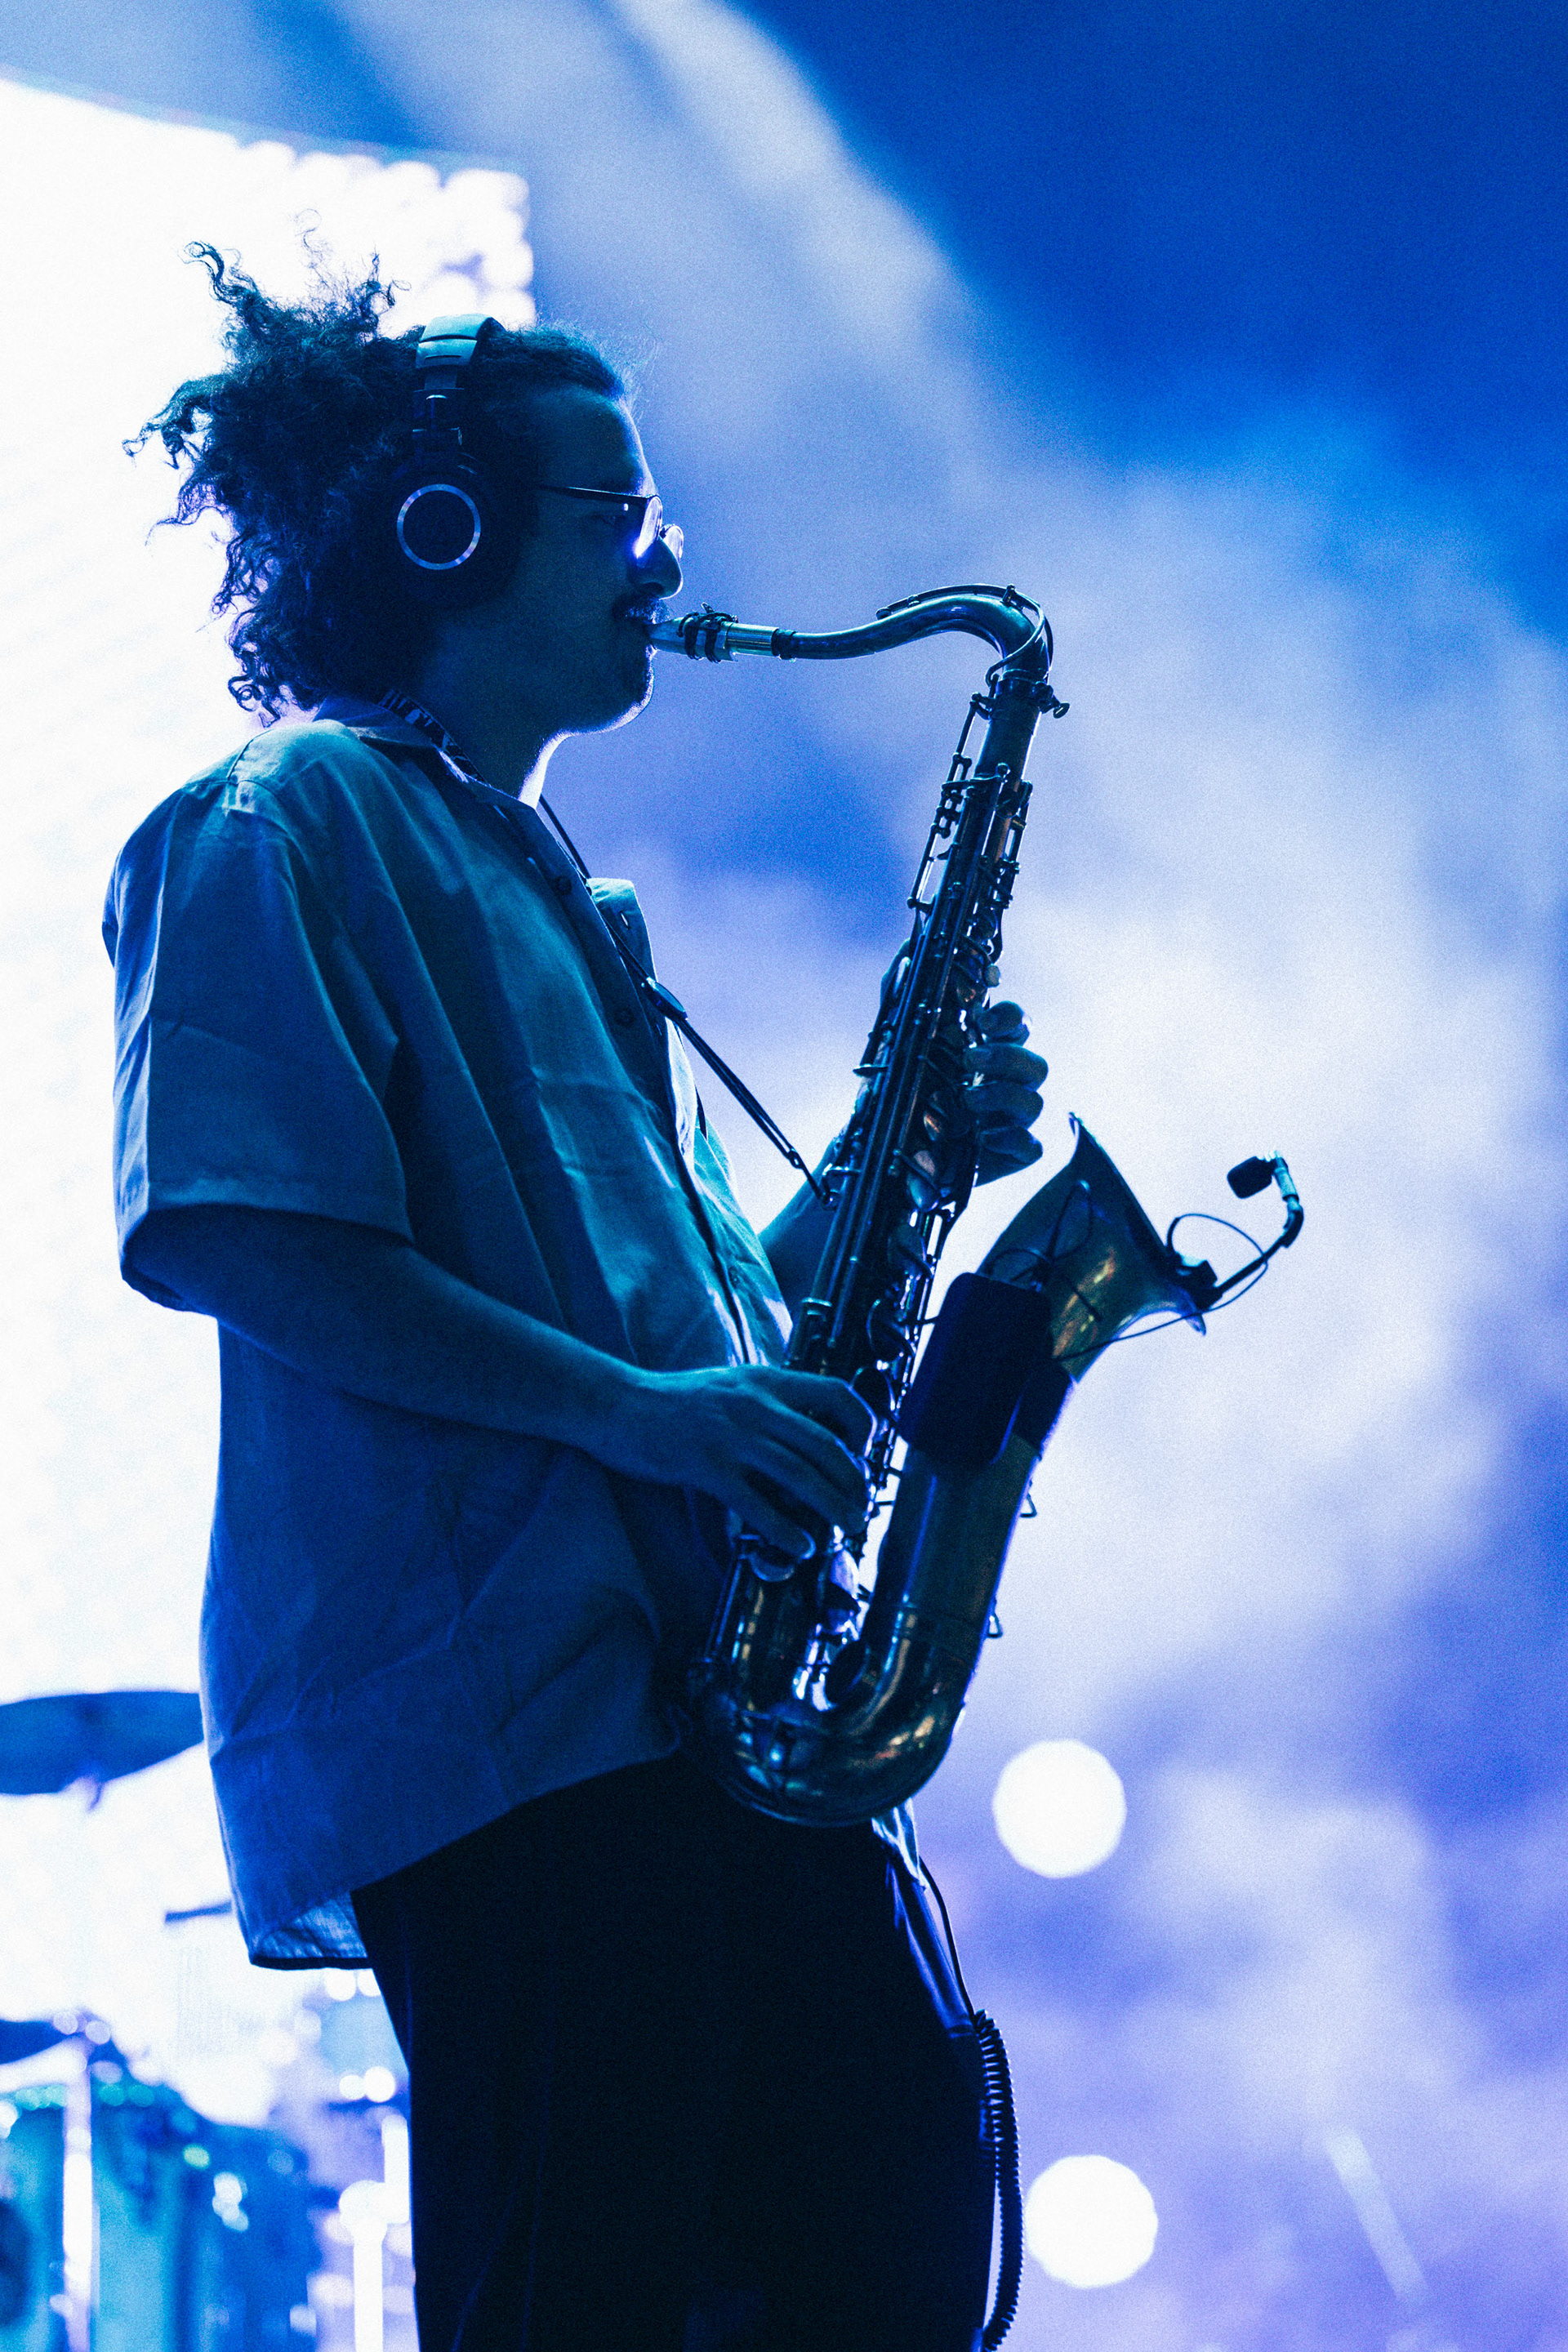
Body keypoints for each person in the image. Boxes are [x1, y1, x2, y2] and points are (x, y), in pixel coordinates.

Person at [107, 252, 1049, 2352]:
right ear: (440, 531)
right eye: (617, 512)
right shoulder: (279, 823)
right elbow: (244, 1240)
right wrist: (648, 1420)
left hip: (696, 1718)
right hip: (519, 1735)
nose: (666, 561)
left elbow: (697, 1325)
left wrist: (893, 1166)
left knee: (881, 2241)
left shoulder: (568, 900)